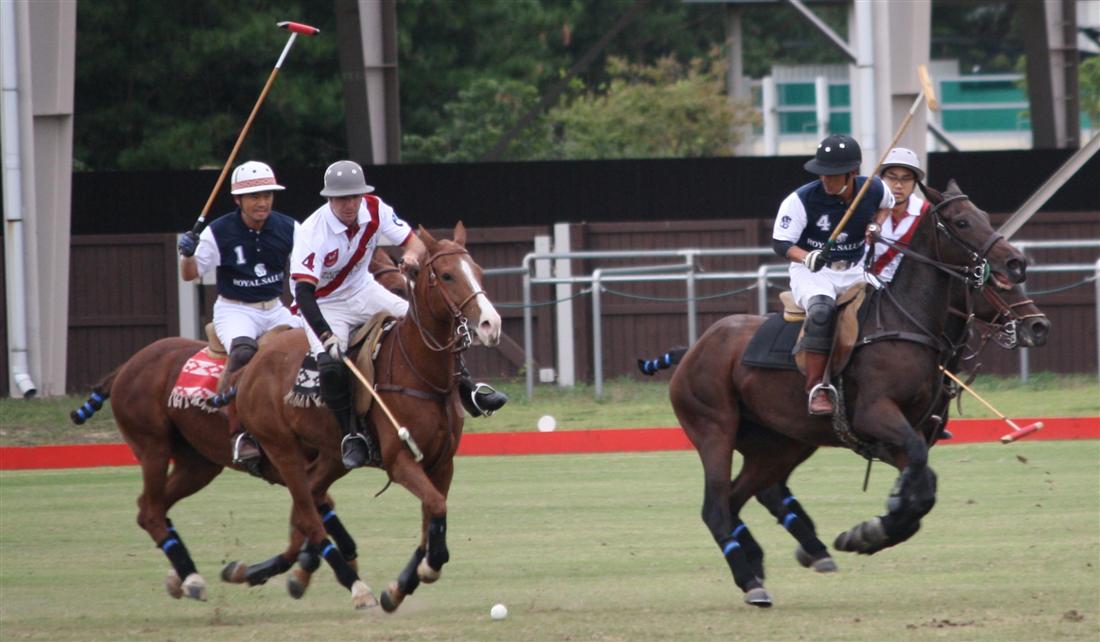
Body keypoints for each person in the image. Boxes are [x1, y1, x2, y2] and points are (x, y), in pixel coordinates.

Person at [291, 160, 506, 470]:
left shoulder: (374, 209)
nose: (349, 204)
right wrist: (325, 335)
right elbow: (303, 293)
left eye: (354, 196)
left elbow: (414, 242)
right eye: (341, 198)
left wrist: (410, 256)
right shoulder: (312, 232)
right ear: (329, 199)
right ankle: (351, 435)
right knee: (332, 366)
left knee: (426, 324)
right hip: (324, 302)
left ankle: (469, 390)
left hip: (363, 289)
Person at [177, 160, 299, 465]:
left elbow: (309, 265)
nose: (263, 202)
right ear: (238, 200)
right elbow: (189, 275)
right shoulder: (218, 231)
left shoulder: (289, 227)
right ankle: (239, 432)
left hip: (275, 308)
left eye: (267, 195)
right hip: (235, 310)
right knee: (244, 353)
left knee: (308, 349)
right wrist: (187, 254)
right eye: (254, 196)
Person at [771, 134, 894, 415]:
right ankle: (817, 388)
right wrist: (807, 256)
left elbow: (886, 206)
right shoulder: (801, 200)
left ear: (852, 173)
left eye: (832, 174)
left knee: (887, 304)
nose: (824, 179)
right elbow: (781, 243)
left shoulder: (873, 189)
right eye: (821, 172)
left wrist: (875, 225)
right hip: (813, 272)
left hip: (854, 269)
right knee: (822, 310)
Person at [867, 147, 928, 285]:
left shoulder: (927, 213)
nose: (899, 185)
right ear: (881, 179)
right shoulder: (865, 209)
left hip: (910, 288)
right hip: (865, 284)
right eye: (892, 177)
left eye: (906, 179)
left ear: (915, 183)